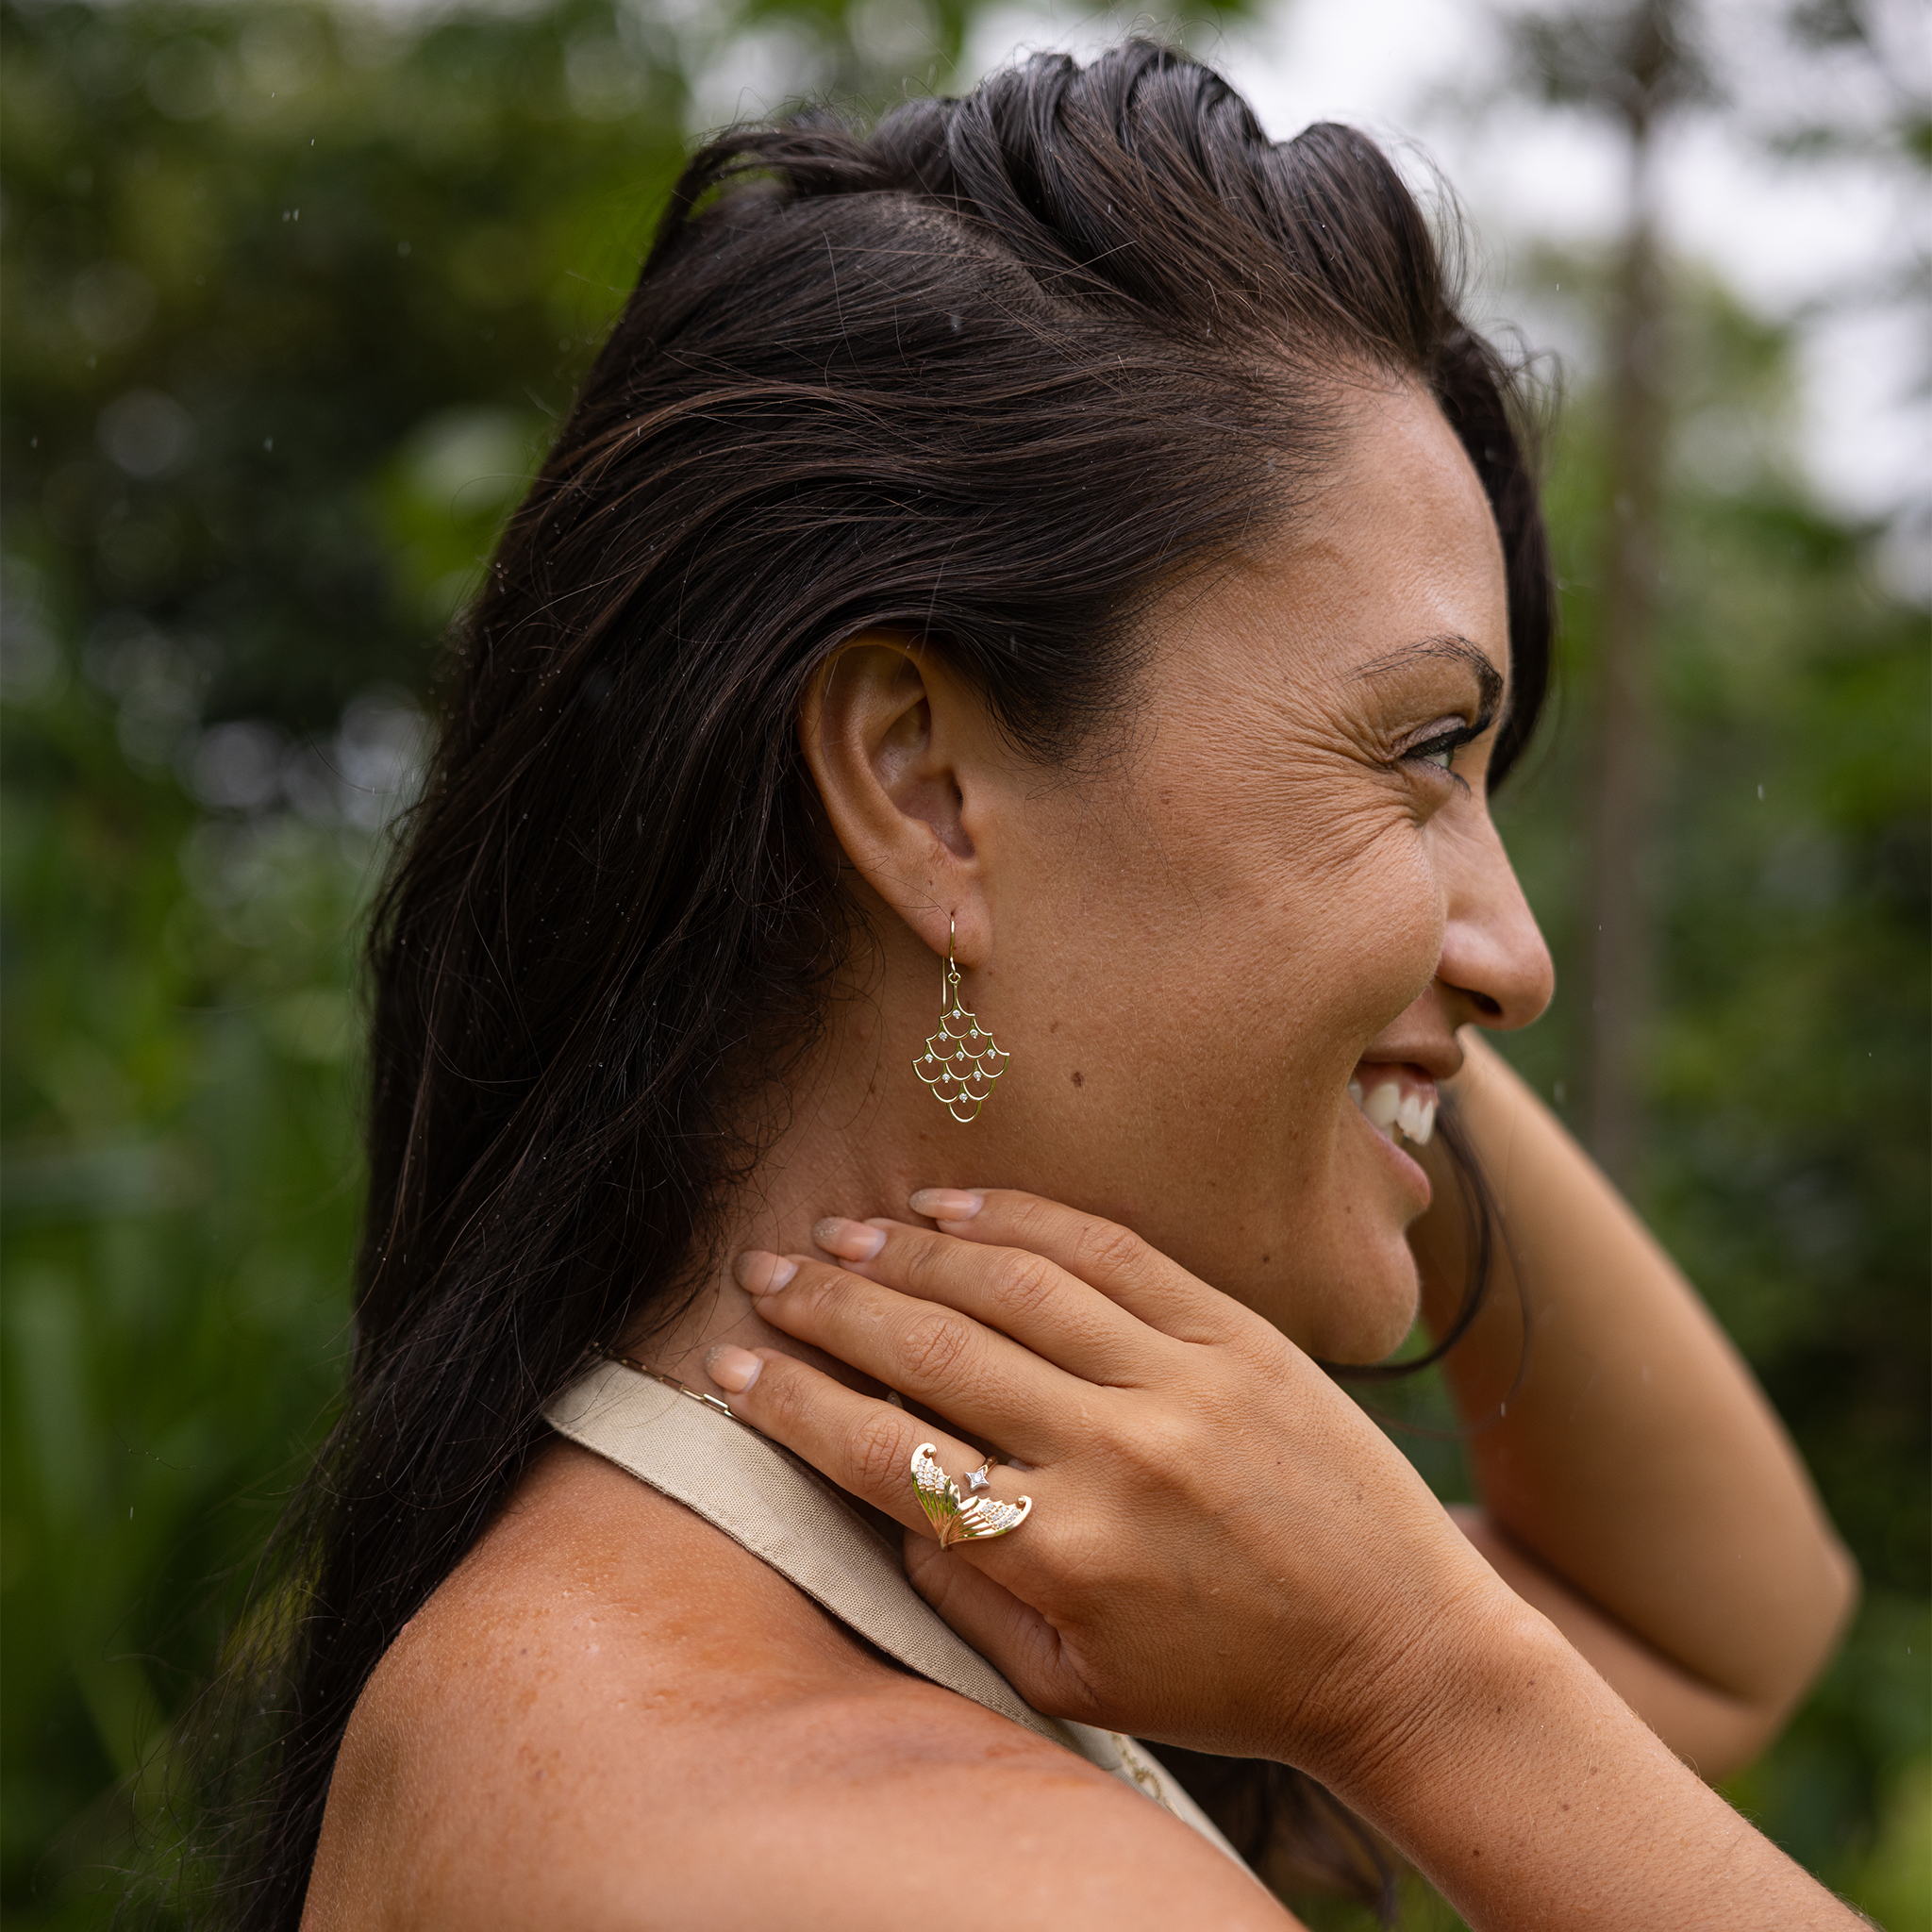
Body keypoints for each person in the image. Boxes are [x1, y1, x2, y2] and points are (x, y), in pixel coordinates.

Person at [246, 41, 1860, 1931]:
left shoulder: (794, 1634)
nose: (1522, 959)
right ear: (924, 787)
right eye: (1419, 748)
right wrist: (1416, 1685)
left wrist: (1362, 1011)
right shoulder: (931, 1859)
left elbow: (1729, 1622)